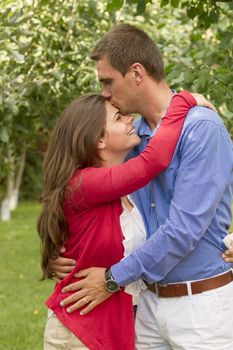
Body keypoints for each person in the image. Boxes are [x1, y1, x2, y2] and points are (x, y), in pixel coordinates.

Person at [53, 24, 233, 350]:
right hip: (146, 306)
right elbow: (80, 195)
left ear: (136, 72)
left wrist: (111, 279)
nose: (105, 93)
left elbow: (183, 229)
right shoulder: (132, 137)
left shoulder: (200, 128)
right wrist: (63, 251)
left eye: (107, 81)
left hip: (200, 308)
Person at [38, 90, 202, 350]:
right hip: (81, 334)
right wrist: (182, 101)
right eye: (119, 117)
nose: (130, 118)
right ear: (99, 140)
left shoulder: (123, 191)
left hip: (112, 331)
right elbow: (154, 160)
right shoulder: (84, 184)